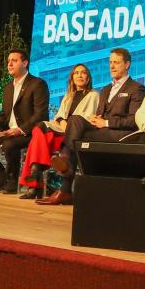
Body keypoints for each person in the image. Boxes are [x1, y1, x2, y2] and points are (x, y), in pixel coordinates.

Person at [38, 48, 145, 206]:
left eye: (116, 62)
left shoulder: (136, 88)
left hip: (120, 134)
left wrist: (107, 123)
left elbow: (134, 121)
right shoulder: (106, 90)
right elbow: (100, 114)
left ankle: (65, 184)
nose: (112, 66)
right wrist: (97, 119)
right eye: (110, 62)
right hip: (101, 131)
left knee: (75, 138)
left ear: (127, 64)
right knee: (75, 119)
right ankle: (65, 175)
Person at [0, 49, 49, 194]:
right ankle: (2, 175)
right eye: (8, 61)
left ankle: (12, 181)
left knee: (9, 144)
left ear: (25, 63)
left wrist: (20, 129)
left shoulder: (37, 84)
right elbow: (4, 115)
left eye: (14, 61)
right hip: (8, 132)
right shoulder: (8, 88)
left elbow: (40, 115)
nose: (9, 64)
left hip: (28, 133)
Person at [18, 64, 98, 198]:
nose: (79, 75)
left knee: (36, 139)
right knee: (38, 129)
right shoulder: (68, 96)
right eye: (76, 73)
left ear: (88, 78)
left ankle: (35, 182)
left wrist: (68, 124)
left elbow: (88, 118)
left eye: (83, 73)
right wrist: (63, 122)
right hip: (61, 131)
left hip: (74, 136)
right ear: (72, 78)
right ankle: (36, 172)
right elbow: (59, 116)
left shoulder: (93, 95)